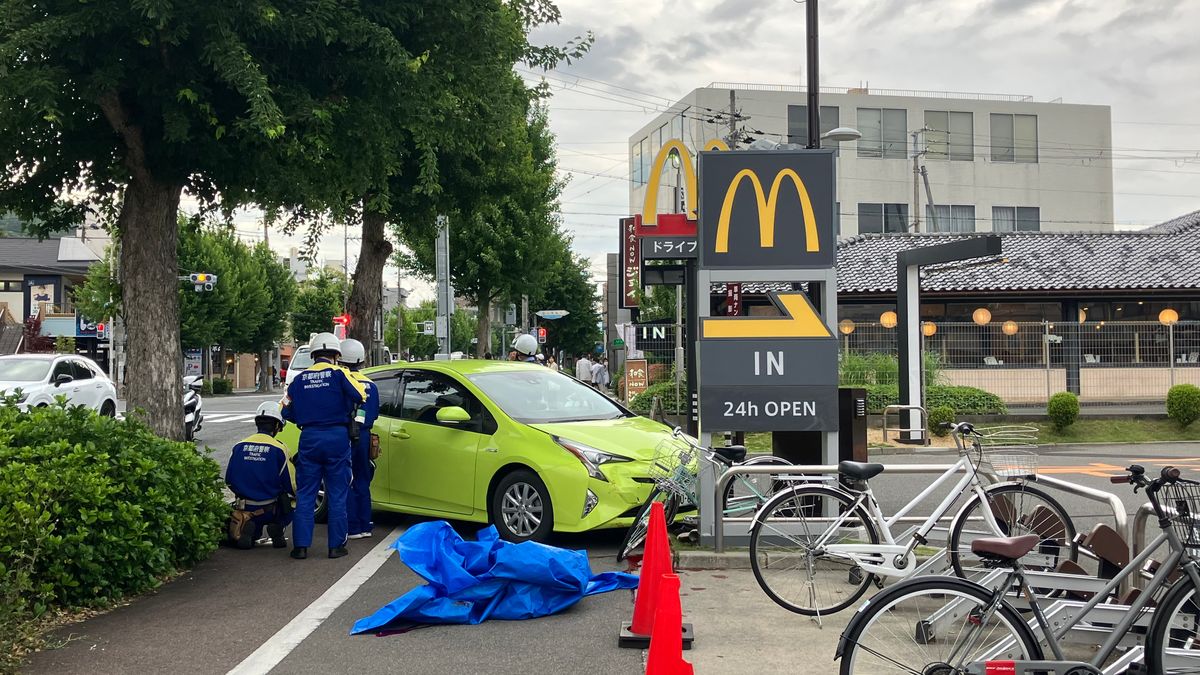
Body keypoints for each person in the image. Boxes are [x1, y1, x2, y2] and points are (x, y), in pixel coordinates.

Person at [282, 332, 366, 560]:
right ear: (336, 354)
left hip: (309, 437)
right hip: (337, 437)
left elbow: (284, 409)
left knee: (305, 493)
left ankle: (300, 547)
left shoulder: (299, 380)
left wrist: (304, 418)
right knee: (337, 493)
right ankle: (335, 547)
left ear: (313, 355)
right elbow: (360, 395)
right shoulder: (340, 374)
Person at [224, 402, 295, 550]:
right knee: (293, 503)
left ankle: (250, 529)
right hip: (270, 508)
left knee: (251, 534)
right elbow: (291, 484)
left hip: (244, 506)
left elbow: (229, 480)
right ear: (277, 426)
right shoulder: (279, 449)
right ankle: (277, 528)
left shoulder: (239, 446)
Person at [339, 338, 379, 540]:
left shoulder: (342, 381)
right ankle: (365, 524)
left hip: (345, 434)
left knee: (346, 479)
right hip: (364, 435)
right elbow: (374, 413)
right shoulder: (371, 385)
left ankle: (352, 526)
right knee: (363, 479)